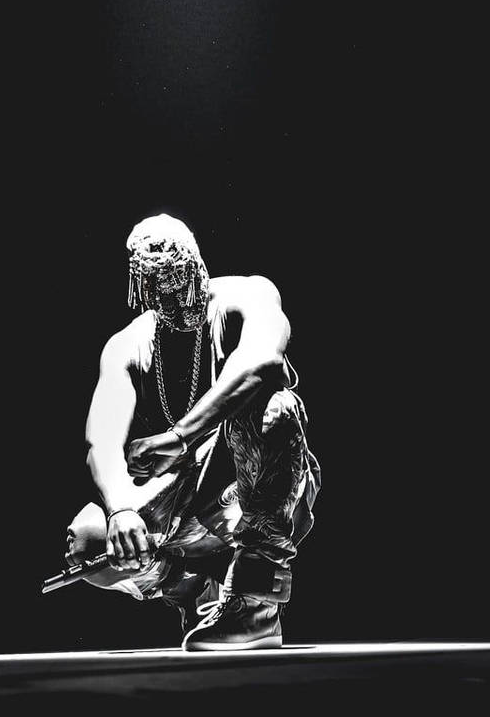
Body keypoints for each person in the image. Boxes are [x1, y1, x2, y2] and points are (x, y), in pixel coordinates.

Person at [61, 215, 321, 650]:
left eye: (187, 286)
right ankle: (194, 593)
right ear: (142, 292)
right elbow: (100, 438)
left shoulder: (249, 294)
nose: (182, 304)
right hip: (181, 506)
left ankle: (255, 602)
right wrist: (122, 509)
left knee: (274, 407)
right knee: (89, 540)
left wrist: (180, 436)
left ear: (200, 264)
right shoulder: (127, 345)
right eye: (165, 294)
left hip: (246, 494)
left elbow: (261, 363)